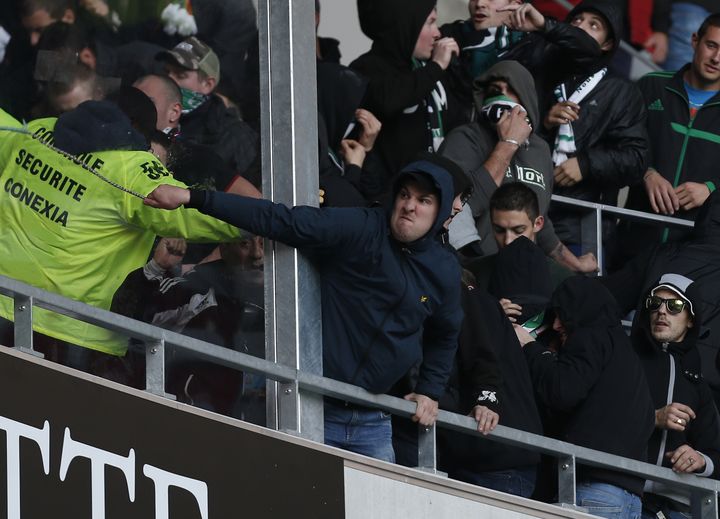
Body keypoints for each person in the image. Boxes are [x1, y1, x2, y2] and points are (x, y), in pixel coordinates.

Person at [142, 154, 469, 462]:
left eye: (423, 201)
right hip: (313, 405)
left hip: (374, 418)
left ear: (440, 214)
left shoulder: (443, 269)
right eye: (405, 195)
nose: (409, 207)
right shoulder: (362, 227)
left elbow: (445, 332)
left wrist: (429, 391)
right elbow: (280, 220)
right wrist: (191, 198)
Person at [0, 92, 241, 374]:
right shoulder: (132, 170)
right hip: (74, 333)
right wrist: (265, 217)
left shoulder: (38, 132)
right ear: (138, 131)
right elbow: (211, 220)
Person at [501, 0, 648, 259]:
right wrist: (545, 123)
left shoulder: (622, 91)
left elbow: (636, 159)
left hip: (580, 226)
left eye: (594, 25)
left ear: (608, 44)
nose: (581, 28)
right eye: (576, 21)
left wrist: (586, 164)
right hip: (522, 214)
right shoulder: (541, 71)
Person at [515, 277, 655, 517]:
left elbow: (561, 390)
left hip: (594, 490)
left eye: (562, 315)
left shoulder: (591, 336)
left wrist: (529, 346)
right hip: (630, 498)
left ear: (580, 311)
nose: (557, 325)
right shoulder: (625, 354)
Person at [440, 60, 597, 272]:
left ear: (526, 98)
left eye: (510, 91)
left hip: (522, 273)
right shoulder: (465, 138)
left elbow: (540, 220)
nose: (500, 97)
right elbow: (460, 207)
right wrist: (508, 144)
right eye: (495, 90)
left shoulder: (540, 150)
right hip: (471, 270)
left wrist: (573, 263)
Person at [617, 13, 720, 264]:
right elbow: (618, 145)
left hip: (694, 255)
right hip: (634, 241)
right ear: (694, 41)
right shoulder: (650, 86)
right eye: (711, 45)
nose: (717, 59)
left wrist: (710, 190)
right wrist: (646, 174)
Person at [632, 273, 720, 518]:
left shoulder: (697, 383)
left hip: (674, 508)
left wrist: (700, 460)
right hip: (623, 492)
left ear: (691, 320)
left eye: (675, 306)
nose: (662, 312)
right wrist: (652, 418)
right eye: (655, 304)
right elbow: (595, 420)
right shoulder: (625, 360)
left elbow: (715, 453)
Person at [350, 0, 463, 188]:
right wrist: (436, 67)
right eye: (429, 22)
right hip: (393, 201)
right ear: (405, 24)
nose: (437, 33)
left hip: (440, 195)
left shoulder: (426, 68)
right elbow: (389, 100)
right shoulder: (365, 69)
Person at [157, 36, 258, 179]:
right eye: (166, 72)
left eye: (180, 75)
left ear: (207, 84)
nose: (169, 80)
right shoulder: (152, 118)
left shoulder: (234, 135)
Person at [440, 0, 525, 118]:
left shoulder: (534, 47)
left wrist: (544, 25)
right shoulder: (444, 38)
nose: (479, 3)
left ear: (516, 4)